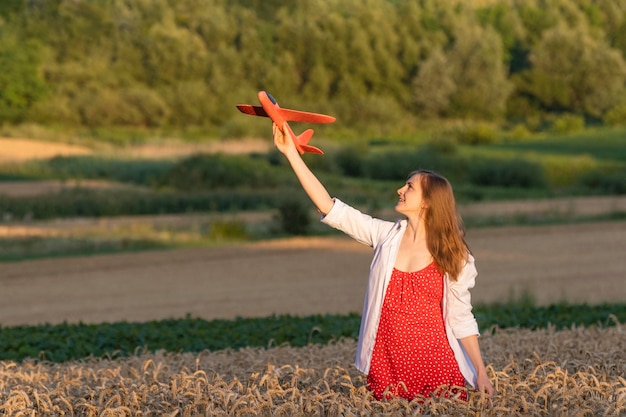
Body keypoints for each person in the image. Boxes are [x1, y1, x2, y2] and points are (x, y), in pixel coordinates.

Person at [272, 123, 495, 401]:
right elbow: (329, 207)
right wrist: (291, 153)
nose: (400, 189)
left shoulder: (453, 253)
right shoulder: (384, 236)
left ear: (427, 202)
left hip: (437, 366)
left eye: (409, 187)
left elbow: (462, 318)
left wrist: (480, 372)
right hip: (385, 365)